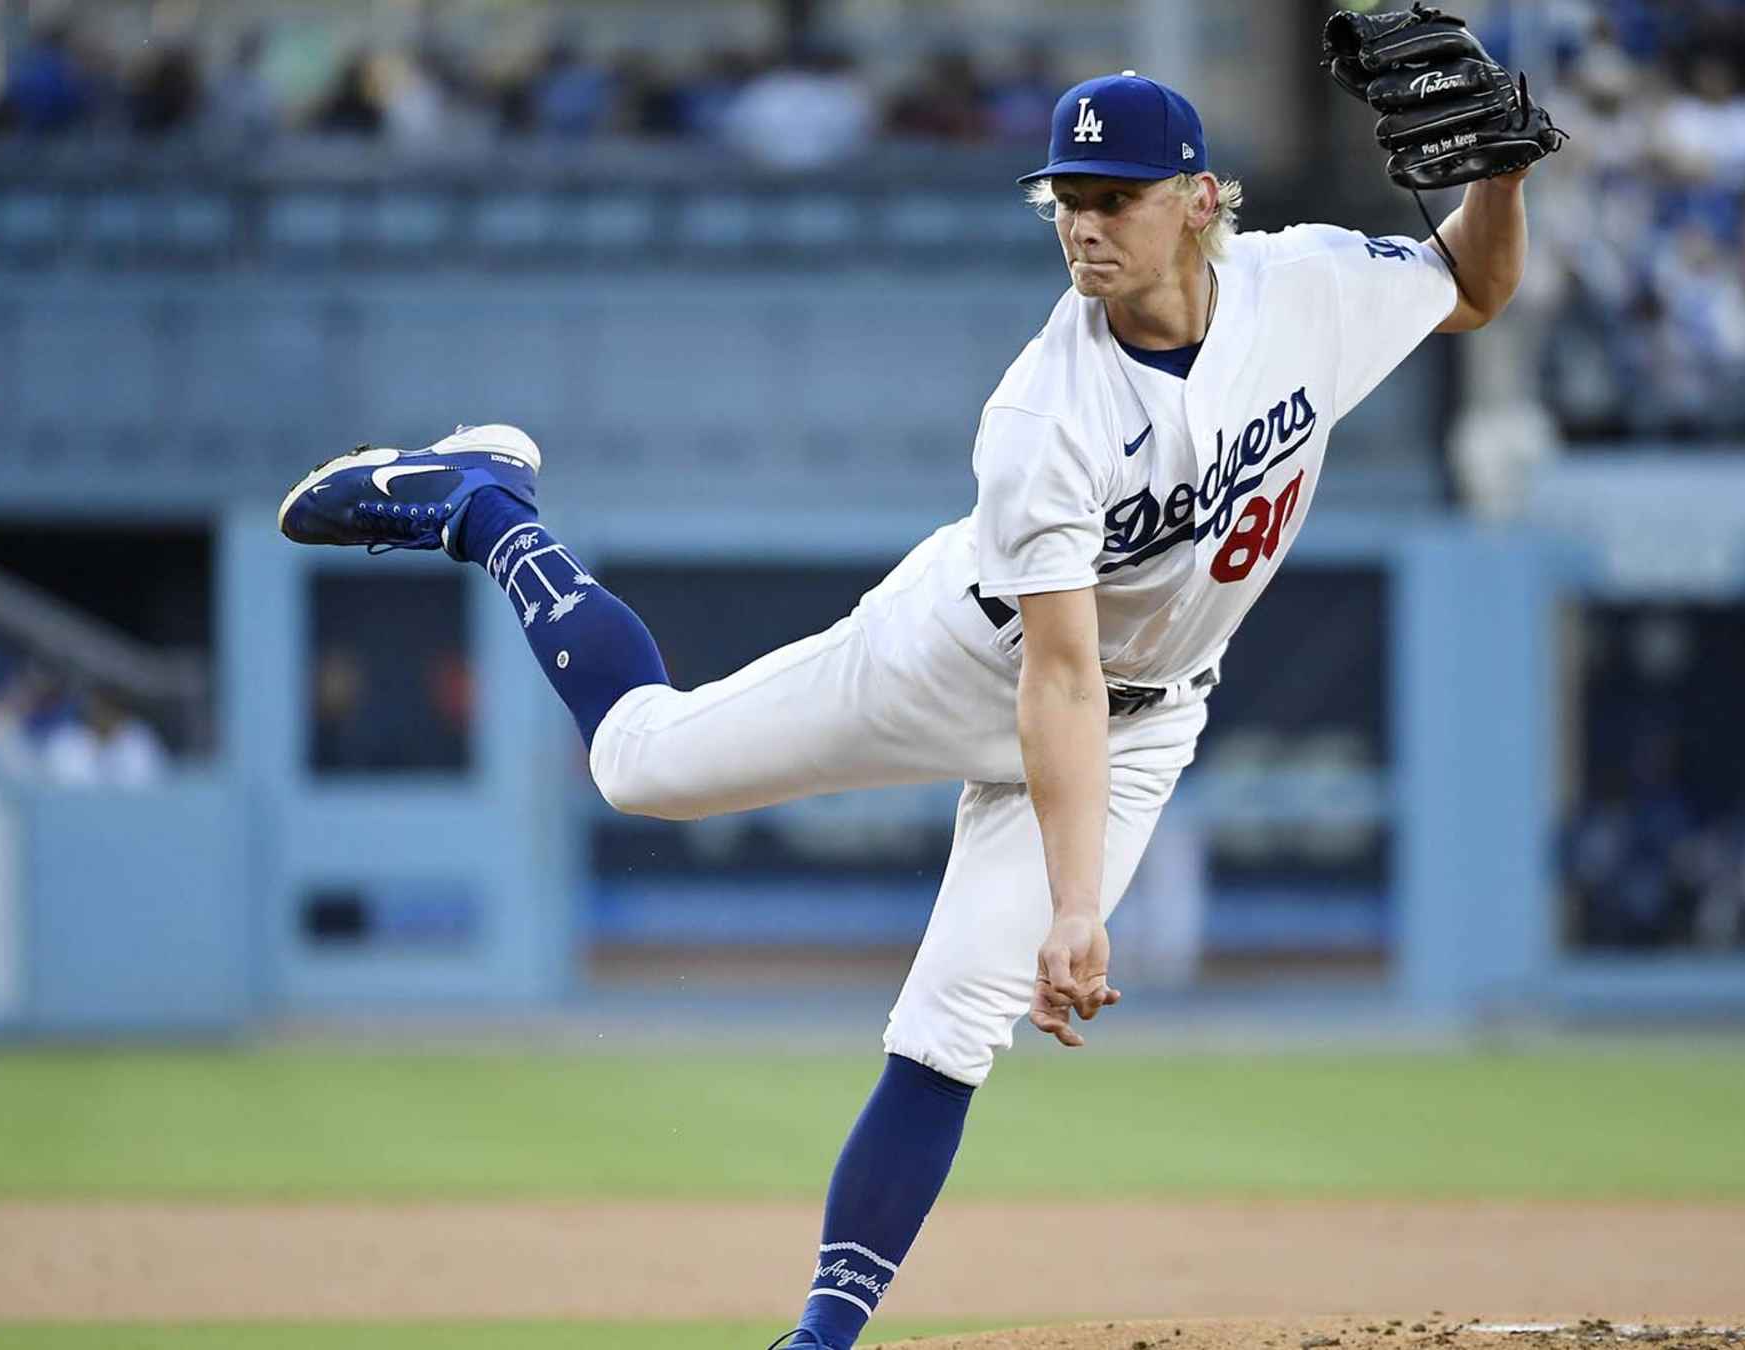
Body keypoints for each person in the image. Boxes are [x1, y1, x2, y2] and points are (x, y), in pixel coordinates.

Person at [278, 67, 1534, 1350]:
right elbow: (1055, 677)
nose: (1085, 226)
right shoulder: (1046, 411)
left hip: (1150, 711)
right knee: (637, 769)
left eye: (1117, 198)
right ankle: (491, 506)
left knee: (953, 1024)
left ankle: (821, 1337)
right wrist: (1081, 901)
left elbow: (1476, 287)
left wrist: (1501, 172)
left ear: (1201, 199)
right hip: (961, 657)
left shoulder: (1306, 288)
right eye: (1066, 200)